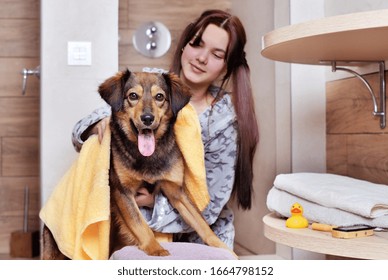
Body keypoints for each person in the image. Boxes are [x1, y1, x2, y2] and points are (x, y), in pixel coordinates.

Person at [72, 9, 259, 250]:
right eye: (197, 44)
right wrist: (97, 123)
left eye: (216, 54)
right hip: (138, 231)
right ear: (184, 46)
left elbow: (211, 206)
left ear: (226, 67)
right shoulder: (149, 82)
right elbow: (80, 135)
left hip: (202, 237)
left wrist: (152, 202)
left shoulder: (224, 121)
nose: (201, 58)